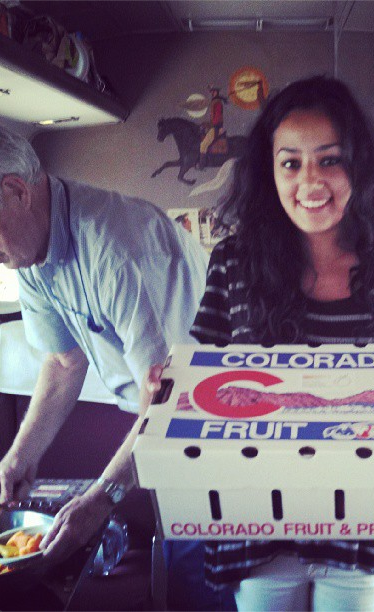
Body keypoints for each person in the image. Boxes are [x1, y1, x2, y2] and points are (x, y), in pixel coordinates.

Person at [143, 75, 374, 611]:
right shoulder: (234, 263)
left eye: (330, 160)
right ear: (270, 171)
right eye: (291, 162)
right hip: (254, 526)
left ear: (359, 166)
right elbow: (199, 379)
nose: (310, 180)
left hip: (371, 531)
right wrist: (163, 394)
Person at [0, 126, 210, 573]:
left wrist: (102, 497)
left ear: (17, 191)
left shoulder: (115, 252)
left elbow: (169, 399)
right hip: (162, 423)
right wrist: (20, 456)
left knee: (201, 580)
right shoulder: (29, 251)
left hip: (206, 426)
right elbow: (64, 361)